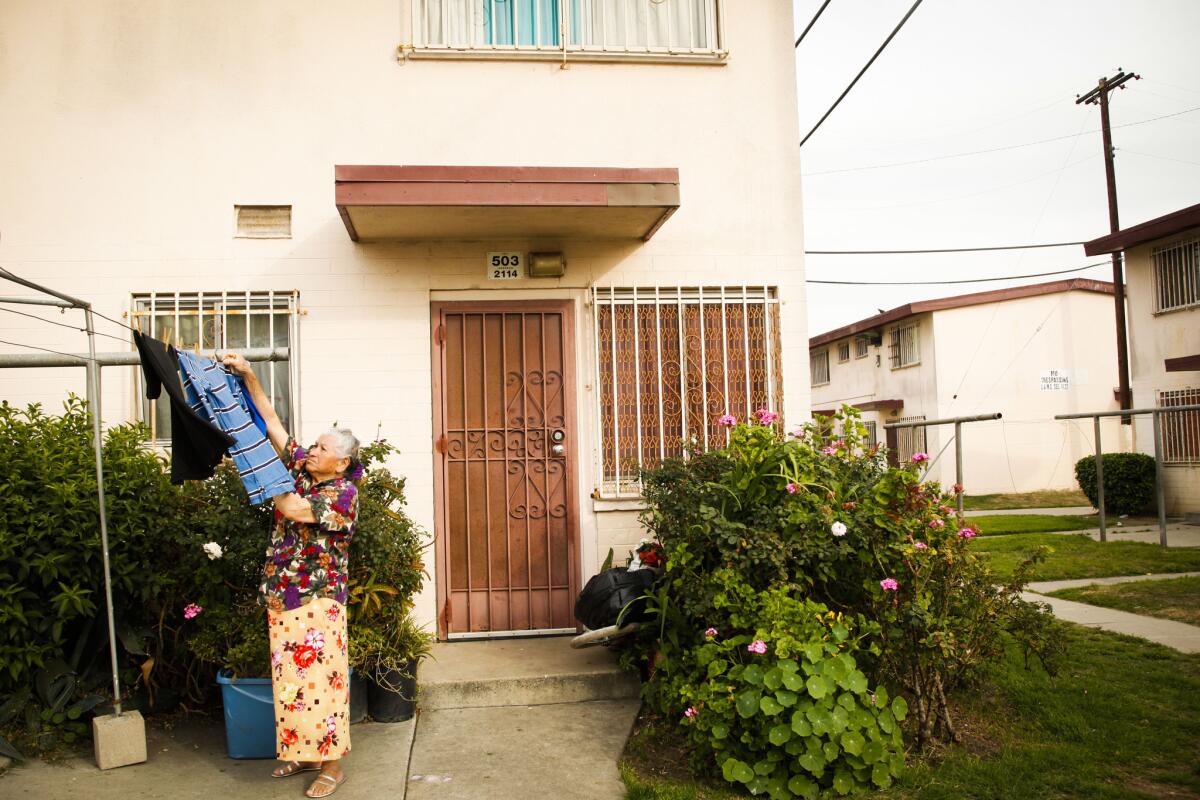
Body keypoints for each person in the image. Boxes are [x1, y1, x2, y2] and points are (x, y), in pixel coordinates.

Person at [222, 353, 359, 799]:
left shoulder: (343, 493)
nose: (311, 451)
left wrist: (259, 464)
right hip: (284, 595)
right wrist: (249, 375)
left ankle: (332, 765)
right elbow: (273, 422)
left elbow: (292, 508)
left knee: (325, 682)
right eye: (313, 446)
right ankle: (302, 751)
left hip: (319, 600)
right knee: (292, 682)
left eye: (321, 449)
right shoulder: (301, 469)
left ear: (340, 463)